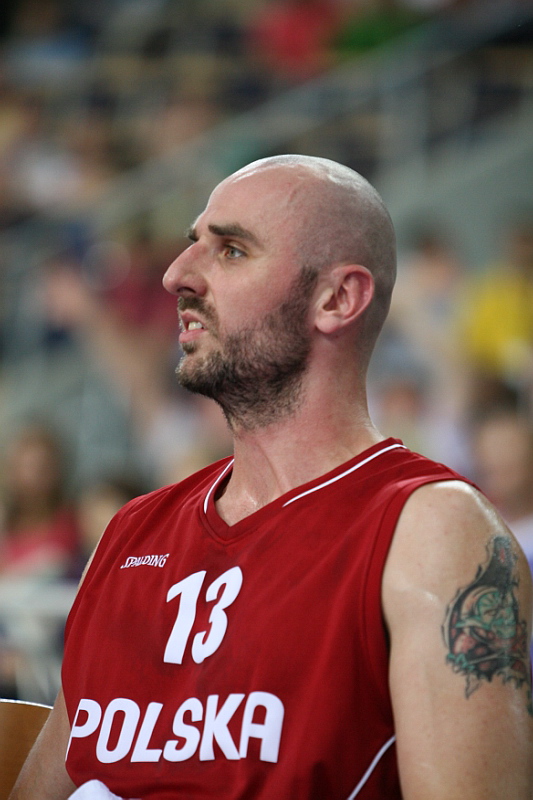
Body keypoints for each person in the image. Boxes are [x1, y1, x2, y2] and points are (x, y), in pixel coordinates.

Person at [10, 155, 533, 799]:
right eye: (192, 244)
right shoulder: (131, 534)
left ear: (337, 299)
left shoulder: (434, 531)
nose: (176, 276)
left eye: (231, 250)